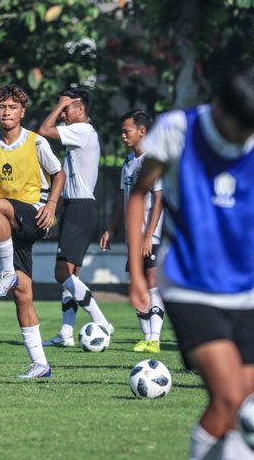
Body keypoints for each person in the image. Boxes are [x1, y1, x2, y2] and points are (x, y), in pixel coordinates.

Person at [127, 65, 254, 460]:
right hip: (188, 281)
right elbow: (140, 193)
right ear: (222, 105)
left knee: (240, 401)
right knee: (228, 398)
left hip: (242, 287)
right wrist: (137, 269)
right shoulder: (178, 129)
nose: (243, 136)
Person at [0, 84, 65, 378]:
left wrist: (51, 205)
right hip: (9, 221)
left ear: (22, 112)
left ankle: (5, 272)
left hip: (35, 211)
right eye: (2, 107)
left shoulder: (36, 142)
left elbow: (59, 173)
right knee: (23, 295)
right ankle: (40, 364)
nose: (6, 112)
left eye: (12, 107)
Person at [37, 87, 114, 348]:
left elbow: (43, 131)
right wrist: (53, 213)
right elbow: (67, 182)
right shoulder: (79, 134)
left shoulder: (82, 131)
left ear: (80, 108)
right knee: (72, 277)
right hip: (74, 207)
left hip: (80, 209)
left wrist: (58, 105)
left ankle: (102, 321)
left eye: (67, 109)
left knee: (61, 273)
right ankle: (67, 334)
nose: (63, 115)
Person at [100, 109, 164, 354]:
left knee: (152, 282)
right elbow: (123, 200)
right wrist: (110, 228)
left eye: (126, 131)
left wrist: (149, 235)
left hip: (151, 235)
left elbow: (158, 199)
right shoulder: (128, 162)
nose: (122, 136)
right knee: (137, 285)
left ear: (142, 132)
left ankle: (155, 339)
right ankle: (146, 338)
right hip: (132, 237)